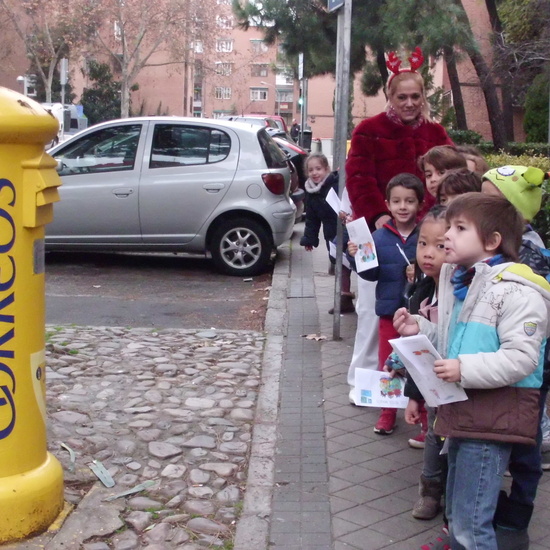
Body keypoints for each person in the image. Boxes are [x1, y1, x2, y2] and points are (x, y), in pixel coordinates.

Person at [394, 193, 550, 550]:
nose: (447, 235)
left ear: (492, 241)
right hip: (462, 411)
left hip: (492, 419)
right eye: (449, 226)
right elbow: (454, 342)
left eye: (459, 228)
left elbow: (522, 358)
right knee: (459, 513)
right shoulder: (461, 282)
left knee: (472, 522)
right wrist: (420, 328)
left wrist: (464, 369)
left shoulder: (516, 292)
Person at [345, 47, 453, 406]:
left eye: (415, 96)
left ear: (424, 97)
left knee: (419, 313)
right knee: (370, 311)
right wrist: (379, 216)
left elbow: (450, 179)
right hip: (381, 234)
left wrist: (435, 223)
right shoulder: (368, 130)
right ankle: (363, 383)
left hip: (425, 239)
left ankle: (411, 392)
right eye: (401, 96)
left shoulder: (436, 133)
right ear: (389, 96)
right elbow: (358, 178)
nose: (409, 103)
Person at [481, 165, 549, 550]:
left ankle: (517, 515)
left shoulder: (525, 252)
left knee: (524, 442)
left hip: (529, 371)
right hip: (505, 364)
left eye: (488, 201)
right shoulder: (505, 243)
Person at [348, 173, 423, 434]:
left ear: (419, 204)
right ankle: (387, 413)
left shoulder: (425, 236)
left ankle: (424, 418)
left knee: (421, 365)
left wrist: (420, 272)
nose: (403, 207)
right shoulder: (378, 238)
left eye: (409, 201)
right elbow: (370, 275)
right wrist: (357, 258)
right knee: (387, 365)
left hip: (419, 316)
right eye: (397, 201)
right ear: (387, 204)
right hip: (389, 313)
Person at [300, 153, 354, 313]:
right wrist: (309, 239)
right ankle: (345, 298)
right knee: (340, 265)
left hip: (347, 230)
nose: (315, 173)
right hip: (331, 234)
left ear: (326, 169)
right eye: (311, 170)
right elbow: (311, 218)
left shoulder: (336, 184)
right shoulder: (311, 192)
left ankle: (361, 299)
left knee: (353, 262)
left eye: (318, 169)